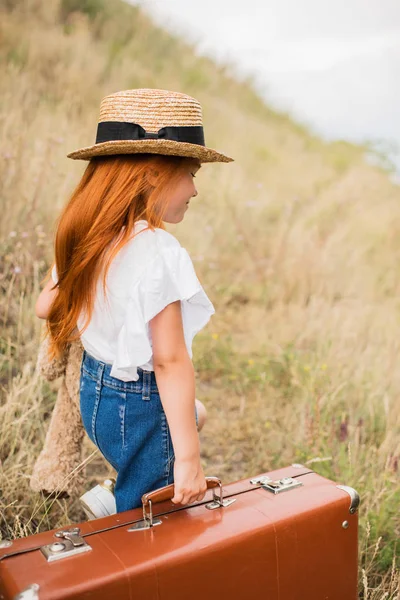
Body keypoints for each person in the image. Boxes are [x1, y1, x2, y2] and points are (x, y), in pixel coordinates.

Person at [34, 88, 234, 515]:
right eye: (191, 174)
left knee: (195, 413)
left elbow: (44, 307)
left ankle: (116, 490)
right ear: (152, 174)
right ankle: (122, 513)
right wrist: (189, 460)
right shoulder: (159, 251)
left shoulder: (85, 231)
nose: (195, 191)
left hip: (94, 394)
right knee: (153, 513)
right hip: (135, 403)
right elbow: (169, 361)